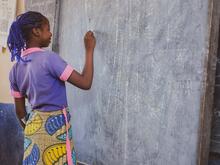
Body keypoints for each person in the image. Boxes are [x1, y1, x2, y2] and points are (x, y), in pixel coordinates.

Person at [7, 11, 96, 165]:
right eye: (48, 29)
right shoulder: (49, 59)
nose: (50, 33)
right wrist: (89, 50)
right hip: (57, 131)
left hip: (32, 131)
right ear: (36, 31)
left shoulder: (15, 70)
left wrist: (33, 128)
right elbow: (85, 82)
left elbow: (20, 112)